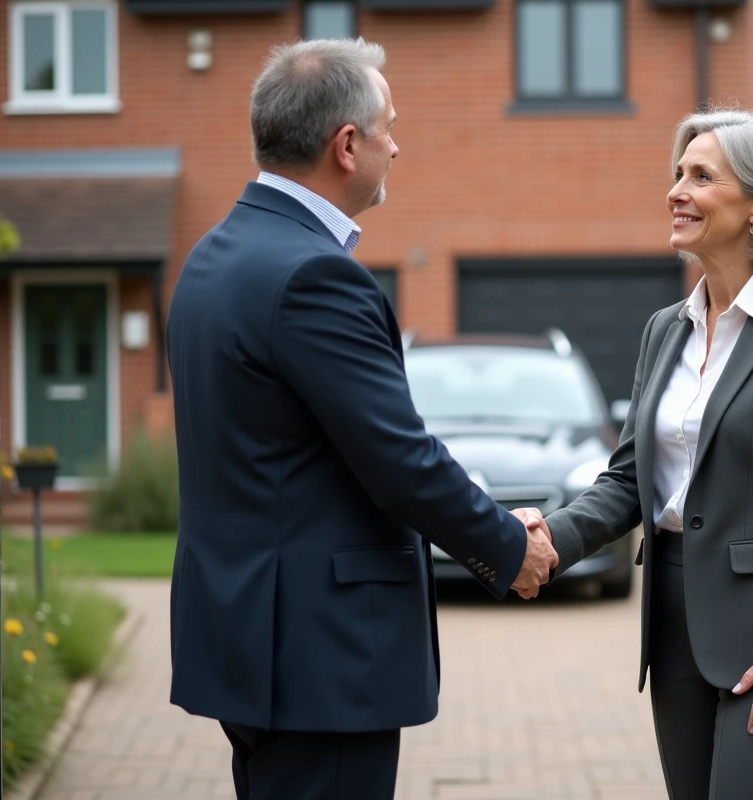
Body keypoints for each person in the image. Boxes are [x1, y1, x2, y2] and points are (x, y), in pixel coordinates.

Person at [165, 38, 557, 800]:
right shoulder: (314, 276)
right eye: (389, 127)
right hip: (320, 655)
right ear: (346, 145)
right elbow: (400, 459)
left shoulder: (212, 258)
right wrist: (510, 547)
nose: (397, 145)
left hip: (247, 636)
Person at [517, 109, 753, 799]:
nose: (676, 191)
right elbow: (628, 481)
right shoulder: (665, 330)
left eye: (701, 176)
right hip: (674, 626)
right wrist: (546, 540)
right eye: (677, 174)